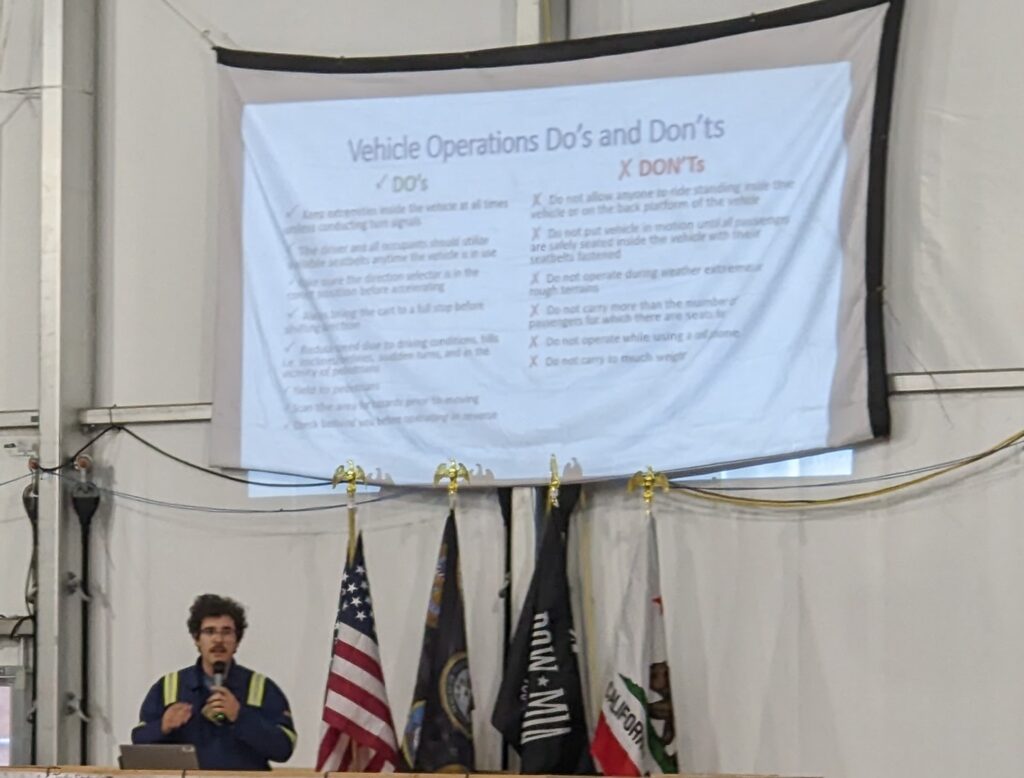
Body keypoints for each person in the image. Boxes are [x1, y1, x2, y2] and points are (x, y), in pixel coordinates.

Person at [131, 594, 297, 770]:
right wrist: (162, 726)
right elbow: (138, 741)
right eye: (209, 632)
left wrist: (240, 717)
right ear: (197, 639)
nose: (218, 640)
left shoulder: (263, 688)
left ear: (237, 641)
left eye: (226, 632)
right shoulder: (168, 687)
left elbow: (284, 748)